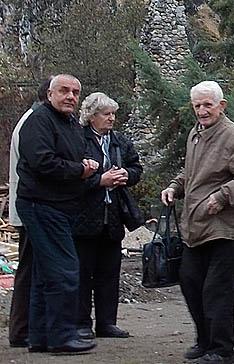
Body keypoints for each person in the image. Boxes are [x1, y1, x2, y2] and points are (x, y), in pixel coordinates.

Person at [161, 80, 234, 364]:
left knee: (216, 292)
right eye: (197, 105)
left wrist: (223, 196)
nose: (202, 111)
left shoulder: (232, 135)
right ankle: (205, 341)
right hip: (196, 228)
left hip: (224, 230)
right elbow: (192, 172)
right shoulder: (196, 133)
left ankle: (221, 350)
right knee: (190, 283)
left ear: (222, 105)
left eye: (207, 105)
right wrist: (174, 187)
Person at [16, 73, 98, 354]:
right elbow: (43, 162)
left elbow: (69, 157)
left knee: (44, 274)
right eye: (64, 90)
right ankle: (61, 336)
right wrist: (80, 171)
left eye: (75, 92)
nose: (70, 97)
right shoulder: (38, 121)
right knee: (64, 270)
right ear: (50, 94)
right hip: (41, 205)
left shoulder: (70, 123)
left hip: (60, 206)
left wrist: (85, 164)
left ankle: (40, 337)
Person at [73, 92, 143, 339]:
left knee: (109, 273)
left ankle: (107, 323)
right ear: (92, 116)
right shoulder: (77, 139)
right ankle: (81, 323)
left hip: (112, 216)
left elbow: (136, 167)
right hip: (83, 216)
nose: (112, 118)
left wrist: (126, 175)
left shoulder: (119, 140)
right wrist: (99, 181)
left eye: (113, 113)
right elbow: (69, 177)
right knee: (82, 273)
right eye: (106, 114)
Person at [7, 76, 51, 349]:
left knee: (31, 268)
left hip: (28, 206)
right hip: (30, 208)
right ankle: (21, 329)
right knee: (28, 269)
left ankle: (24, 327)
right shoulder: (34, 122)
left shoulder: (33, 119)